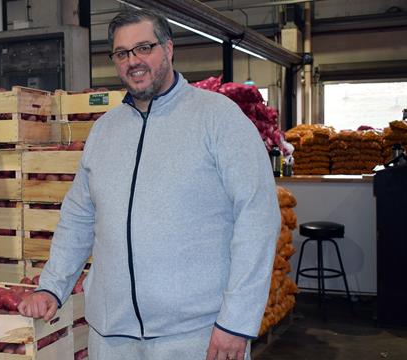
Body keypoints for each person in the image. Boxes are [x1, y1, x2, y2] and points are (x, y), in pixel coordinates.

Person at [18, 8, 281, 360]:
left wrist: (237, 321)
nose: (134, 61)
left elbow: (258, 218)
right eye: (122, 53)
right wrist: (53, 286)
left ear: (169, 49)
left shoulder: (217, 118)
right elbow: (78, 217)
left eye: (144, 48)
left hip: (196, 335)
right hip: (111, 335)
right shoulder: (105, 131)